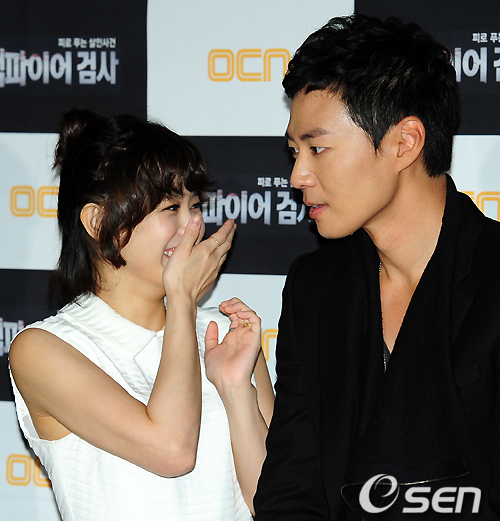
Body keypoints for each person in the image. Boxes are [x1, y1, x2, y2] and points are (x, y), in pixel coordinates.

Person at [254, 13, 500, 520]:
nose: (297, 175)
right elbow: (291, 489)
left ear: (404, 143)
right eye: (294, 152)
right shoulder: (314, 288)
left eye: (318, 149)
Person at [9, 109, 274, 521]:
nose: (193, 225)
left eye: (194, 205)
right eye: (171, 208)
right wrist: (182, 299)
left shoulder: (225, 334)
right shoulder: (45, 349)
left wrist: (236, 387)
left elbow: (275, 500)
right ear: (99, 222)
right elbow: (172, 450)